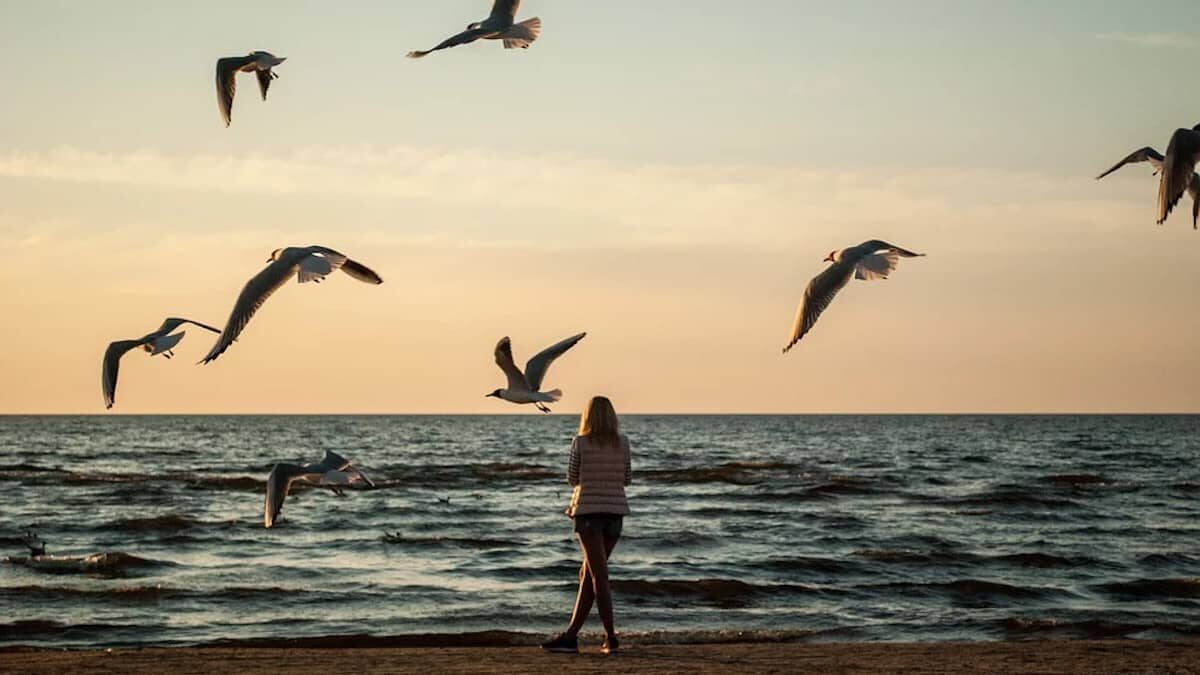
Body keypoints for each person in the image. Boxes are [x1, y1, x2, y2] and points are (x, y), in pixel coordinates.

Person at [541, 396, 632, 655]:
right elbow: (627, 478)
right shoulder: (623, 443)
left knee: (598, 576)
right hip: (615, 514)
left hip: (589, 515)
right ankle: (571, 635)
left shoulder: (579, 443)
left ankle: (611, 637)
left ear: (587, 417)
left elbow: (572, 479)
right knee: (588, 574)